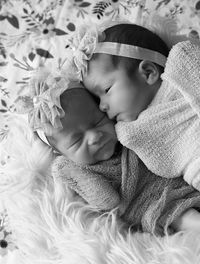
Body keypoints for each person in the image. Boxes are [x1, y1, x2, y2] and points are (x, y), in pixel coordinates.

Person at [15, 63, 200, 237]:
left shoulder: (124, 127)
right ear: (61, 153)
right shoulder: (73, 168)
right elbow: (107, 201)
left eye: (97, 122)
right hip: (150, 204)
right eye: (77, 140)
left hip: (179, 179)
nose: (95, 136)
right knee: (182, 216)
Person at [71, 18, 200, 194]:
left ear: (148, 72)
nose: (101, 107)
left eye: (106, 89)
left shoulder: (182, 67)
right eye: (97, 99)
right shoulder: (131, 131)